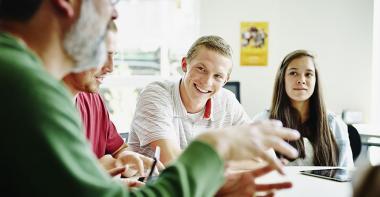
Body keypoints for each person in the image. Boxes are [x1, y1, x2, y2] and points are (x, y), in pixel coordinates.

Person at [0, 0, 300, 196]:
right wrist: (213, 148)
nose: (114, 14)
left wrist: (209, 184)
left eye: (218, 76)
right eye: (111, 6)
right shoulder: (22, 84)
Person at [128, 35, 252, 165]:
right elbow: (173, 163)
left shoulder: (227, 101)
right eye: (201, 69)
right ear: (184, 65)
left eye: (218, 76)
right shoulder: (156, 94)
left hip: (206, 184)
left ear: (225, 80)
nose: (207, 82)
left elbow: (264, 155)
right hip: (152, 184)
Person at [62, 21, 162, 179]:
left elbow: (118, 149)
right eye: (102, 56)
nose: (110, 67)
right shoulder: (37, 108)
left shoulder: (93, 100)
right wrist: (96, 171)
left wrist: (126, 160)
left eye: (113, 55)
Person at [253, 49, 354, 167]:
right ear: (282, 79)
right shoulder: (263, 121)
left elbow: (346, 173)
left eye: (308, 74)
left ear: (316, 81)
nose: (301, 80)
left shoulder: (334, 123)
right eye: (293, 73)